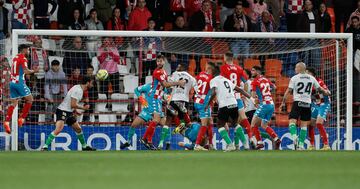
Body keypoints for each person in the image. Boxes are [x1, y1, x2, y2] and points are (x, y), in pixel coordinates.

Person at [279, 62, 330, 150]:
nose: (295, 69)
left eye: (296, 67)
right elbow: (320, 89)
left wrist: (283, 102)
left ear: (300, 68)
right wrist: (326, 92)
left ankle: (295, 138)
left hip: (298, 102)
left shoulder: (294, 78)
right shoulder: (312, 78)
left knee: (292, 121)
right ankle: (301, 145)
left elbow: (288, 91)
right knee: (304, 125)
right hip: (307, 103)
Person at [140, 54, 185, 148]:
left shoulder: (164, 72)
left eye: (161, 61)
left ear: (164, 61)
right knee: (156, 119)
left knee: (163, 122)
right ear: (156, 62)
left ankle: (150, 140)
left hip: (160, 98)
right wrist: (178, 83)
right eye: (158, 61)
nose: (159, 62)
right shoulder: (157, 72)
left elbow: (165, 86)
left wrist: (168, 94)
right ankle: (145, 138)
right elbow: (164, 84)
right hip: (154, 97)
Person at [41, 76, 96, 151]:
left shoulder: (78, 88)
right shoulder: (78, 90)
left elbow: (71, 103)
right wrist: (83, 108)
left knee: (78, 129)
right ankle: (45, 146)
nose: (92, 85)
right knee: (58, 129)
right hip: (62, 111)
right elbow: (72, 104)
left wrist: (75, 111)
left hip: (69, 112)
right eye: (92, 83)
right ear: (87, 83)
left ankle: (84, 146)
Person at [206, 64, 251, 151]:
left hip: (224, 104)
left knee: (219, 125)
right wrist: (250, 97)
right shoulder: (227, 80)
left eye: (210, 70)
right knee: (235, 124)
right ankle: (245, 144)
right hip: (234, 103)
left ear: (214, 71)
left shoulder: (213, 80)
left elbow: (214, 92)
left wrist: (208, 103)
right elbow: (240, 90)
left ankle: (230, 145)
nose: (209, 71)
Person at [3, 44, 39, 134]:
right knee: (30, 100)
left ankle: (7, 122)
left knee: (14, 103)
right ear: (24, 50)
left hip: (12, 83)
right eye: (28, 49)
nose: (29, 51)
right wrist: (34, 71)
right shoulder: (23, 58)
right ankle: (21, 119)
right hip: (19, 83)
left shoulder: (15, 57)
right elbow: (26, 71)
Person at [220, 52, 252, 149]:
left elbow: (222, 82)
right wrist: (244, 95)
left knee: (225, 122)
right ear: (232, 58)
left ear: (225, 57)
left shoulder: (223, 68)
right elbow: (246, 82)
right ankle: (248, 139)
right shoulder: (239, 68)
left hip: (228, 98)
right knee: (241, 118)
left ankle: (231, 144)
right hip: (238, 96)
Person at [165, 63, 198, 149]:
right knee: (186, 123)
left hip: (174, 98)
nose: (176, 68)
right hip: (184, 100)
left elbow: (168, 82)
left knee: (169, 121)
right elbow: (197, 90)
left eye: (178, 67)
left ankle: (164, 143)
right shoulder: (192, 78)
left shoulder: (175, 73)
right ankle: (184, 114)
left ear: (181, 68)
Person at [249, 66, 281, 150]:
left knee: (253, 124)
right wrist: (267, 94)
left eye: (253, 70)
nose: (251, 72)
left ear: (258, 72)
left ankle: (259, 142)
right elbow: (274, 87)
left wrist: (256, 99)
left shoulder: (254, 82)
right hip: (271, 104)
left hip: (264, 105)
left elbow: (252, 95)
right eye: (251, 70)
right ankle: (276, 139)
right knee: (264, 125)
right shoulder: (266, 79)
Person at [306, 67, 331, 150]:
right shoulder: (308, 84)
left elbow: (327, 92)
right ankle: (312, 145)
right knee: (310, 124)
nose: (306, 75)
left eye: (307, 73)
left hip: (324, 104)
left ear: (312, 74)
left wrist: (325, 92)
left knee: (319, 123)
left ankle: (326, 145)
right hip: (315, 104)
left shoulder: (319, 82)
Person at [192, 62, 215, 151]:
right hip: (203, 103)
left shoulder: (201, 74)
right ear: (211, 69)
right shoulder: (211, 79)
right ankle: (197, 145)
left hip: (196, 101)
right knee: (205, 124)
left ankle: (210, 144)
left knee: (210, 122)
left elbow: (196, 84)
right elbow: (213, 91)